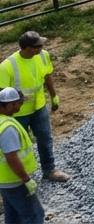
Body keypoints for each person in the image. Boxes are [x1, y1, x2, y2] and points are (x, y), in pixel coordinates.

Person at [0, 33, 67, 183]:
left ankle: (49, 170)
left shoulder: (43, 56)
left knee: (45, 137)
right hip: (17, 114)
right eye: (38, 46)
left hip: (39, 106)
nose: (42, 48)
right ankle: (20, 178)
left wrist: (53, 96)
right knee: (16, 146)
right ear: (28, 48)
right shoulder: (7, 66)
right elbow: (2, 94)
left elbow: (47, 76)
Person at [0, 87, 42, 224]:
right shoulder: (8, 128)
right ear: (11, 104)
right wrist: (26, 179)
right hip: (14, 181)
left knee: (13, 217)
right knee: (34, 215)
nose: (21, 106)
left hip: (4, 181)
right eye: (19, 103)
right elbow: (11, 157)